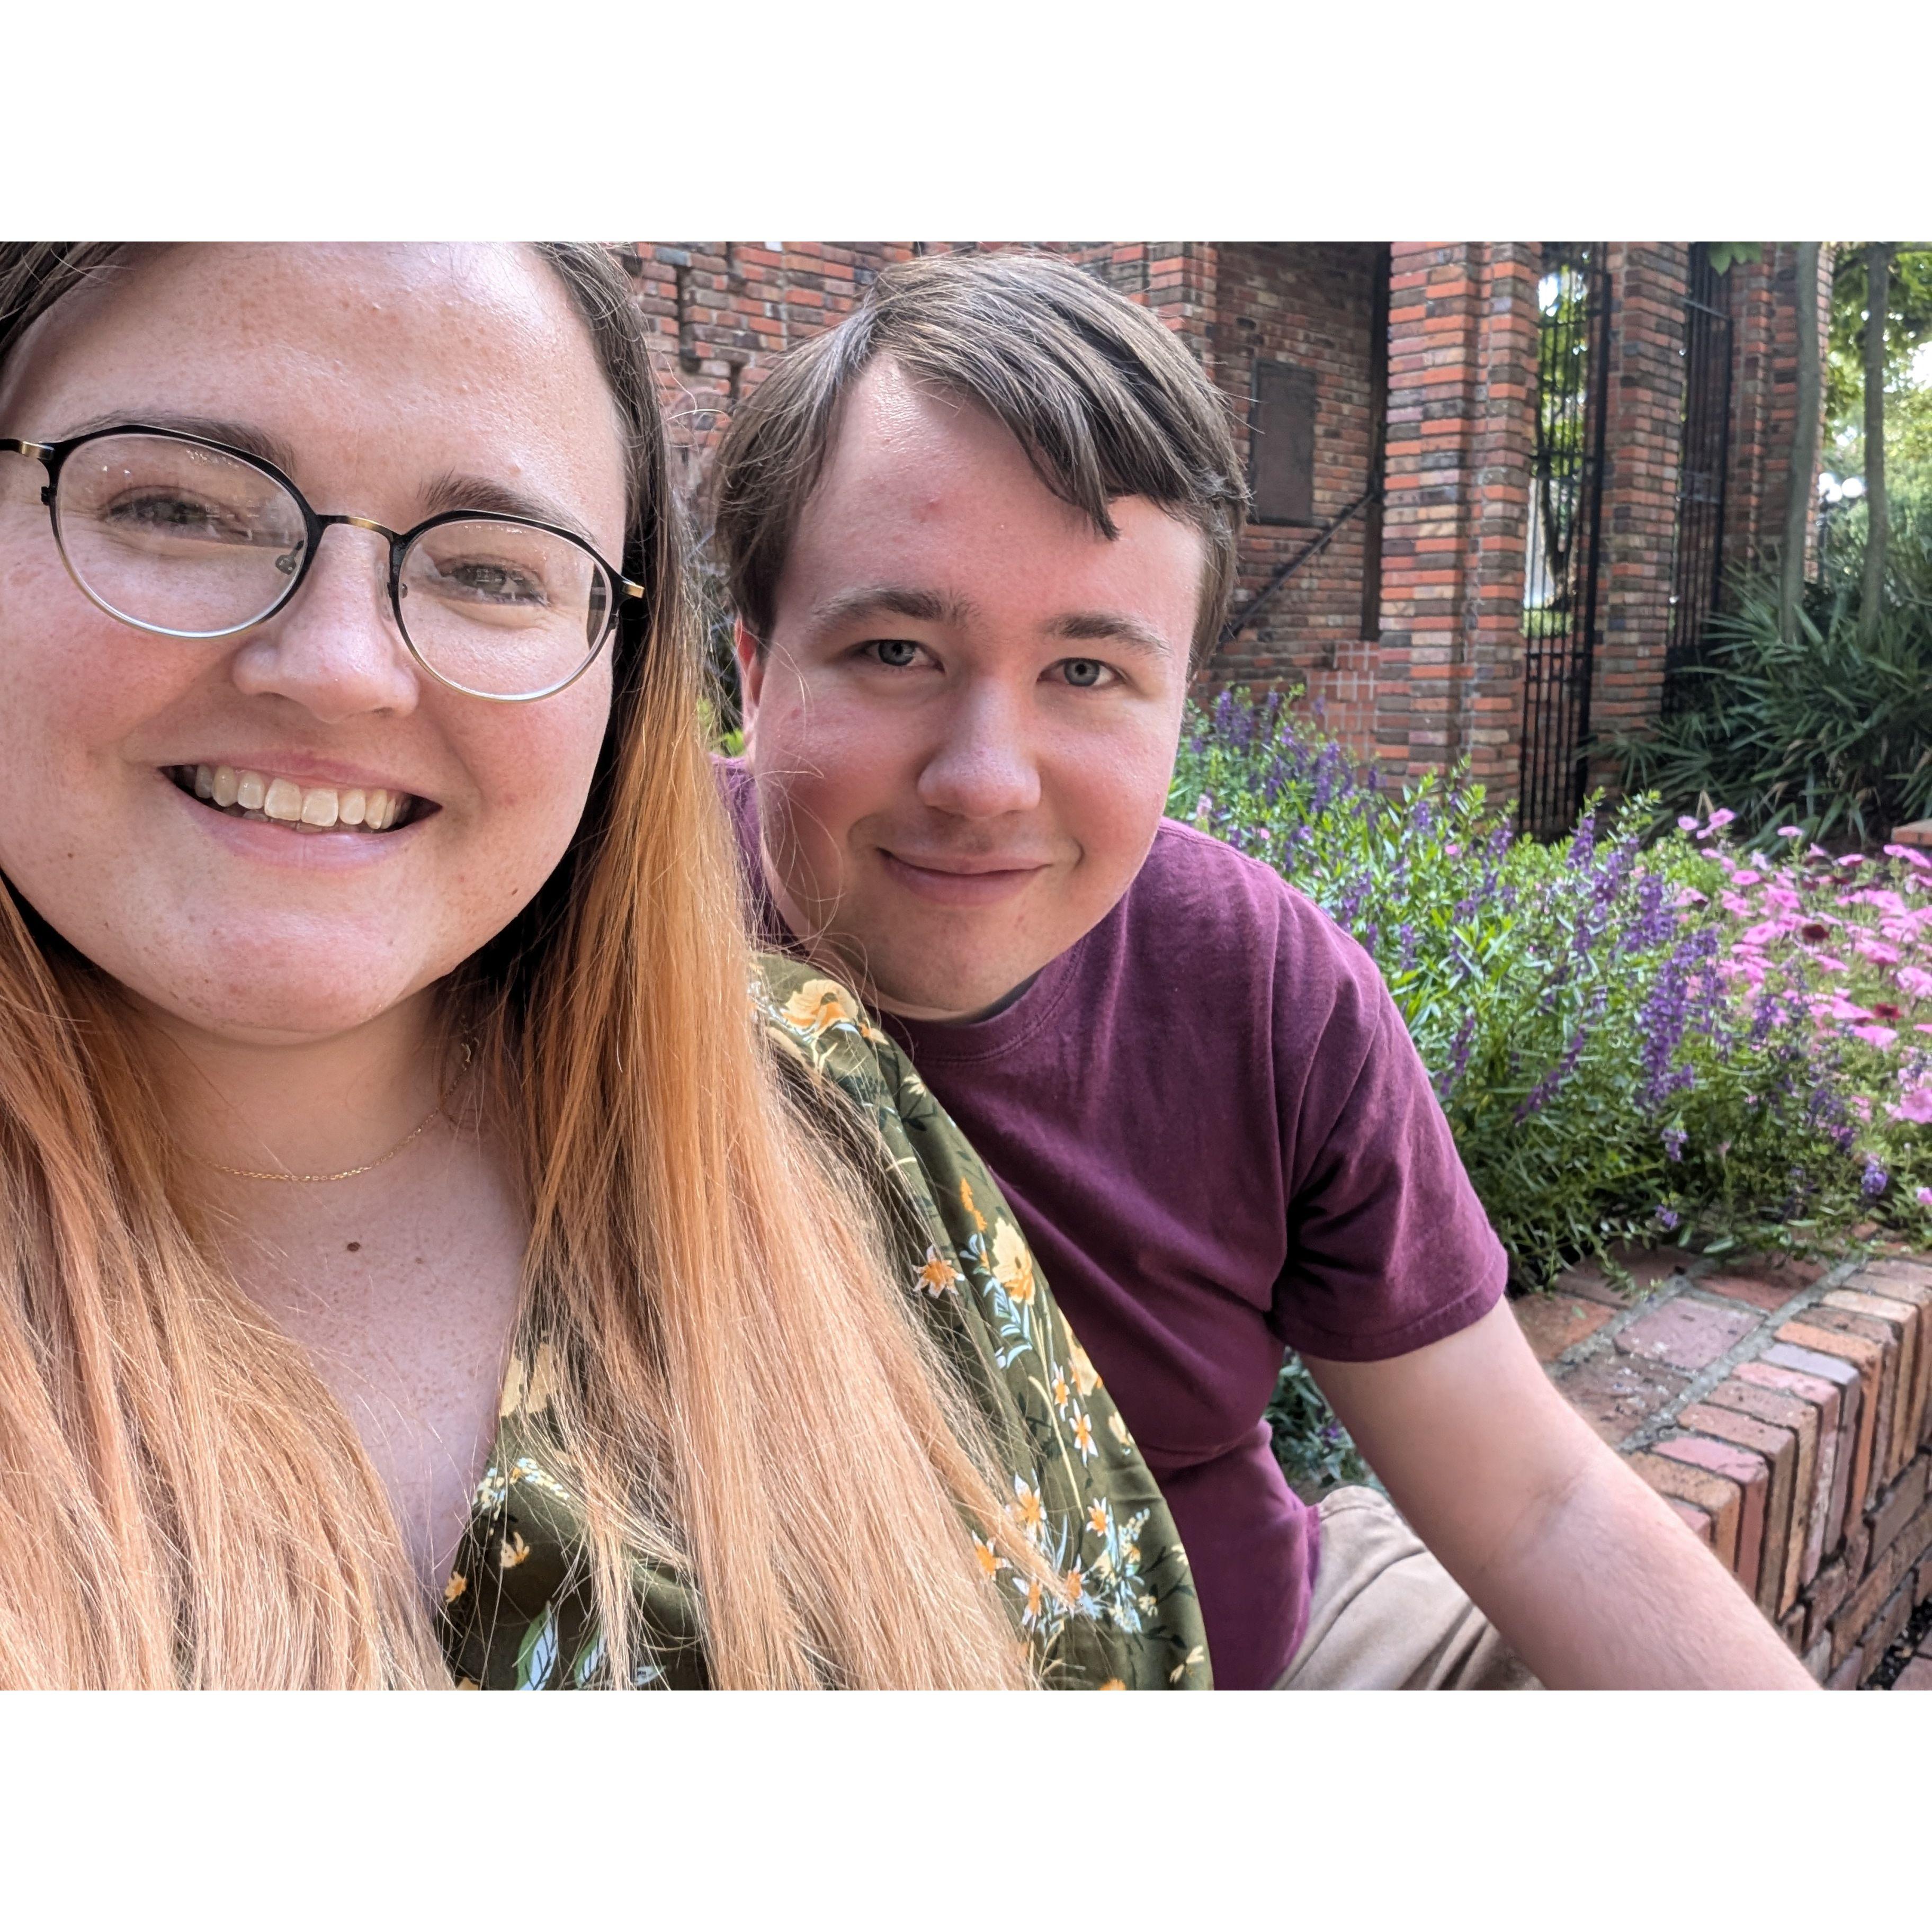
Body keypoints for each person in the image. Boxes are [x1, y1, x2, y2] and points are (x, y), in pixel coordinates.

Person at [0, 241, 1209, 1690]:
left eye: (494, 570)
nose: (336, 668)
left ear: (620, 673)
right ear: (750, 680)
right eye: (179, 506)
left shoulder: (815, 1092)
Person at [712, 248, 1817, 1689]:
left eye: (1089, 673)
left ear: (1182, 709)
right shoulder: (599, 927)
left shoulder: (1268, 990)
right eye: (899, 648)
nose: (985, 780)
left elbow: (1535, 1503)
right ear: (753, 670)